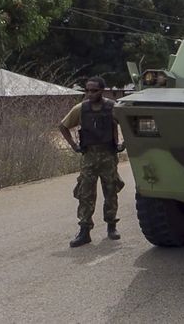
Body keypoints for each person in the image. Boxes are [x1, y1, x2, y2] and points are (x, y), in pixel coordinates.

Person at [59, 76, 125, 247]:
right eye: (87, 90)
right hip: (89, 156)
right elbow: (63, 126)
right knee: (85, 193)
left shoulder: (112, 107)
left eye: (94, 90)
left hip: (108, 155)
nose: (89, 93)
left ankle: (111, 225)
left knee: (111, 190)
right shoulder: (81, 109)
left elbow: (127, 123)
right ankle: (84, 230)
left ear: (102, 90)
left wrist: (123, 144)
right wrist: (74, 145)